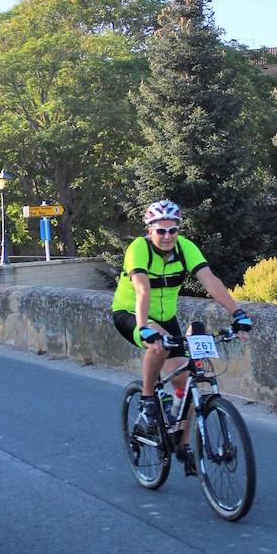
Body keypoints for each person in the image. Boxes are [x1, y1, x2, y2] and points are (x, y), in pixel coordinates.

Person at [111, 199, 252, 465]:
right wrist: (143, 328)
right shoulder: (138, 249)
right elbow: (142, 289)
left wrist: (238, 314)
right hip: (131, 314)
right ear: (150, 230)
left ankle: (183, 445)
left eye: (172, 230)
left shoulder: (185, 248)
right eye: (160, 230)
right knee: (158, 345)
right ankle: (148, 398)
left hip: (167, 317)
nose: (167, 236)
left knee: (187, 381)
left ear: (178, 230)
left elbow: (210, 280)